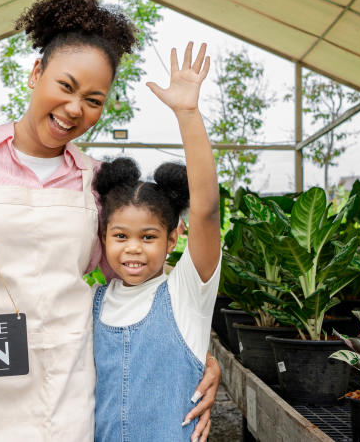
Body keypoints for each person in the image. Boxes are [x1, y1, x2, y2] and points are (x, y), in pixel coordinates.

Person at [0, 0, 219, 441]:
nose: (74, 109)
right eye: (66, 86)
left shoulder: (99, 181)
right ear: (36, 71)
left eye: (93, 100)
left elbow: (137, 283)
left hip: (65, 393)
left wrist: (195, 352)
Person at [91, 42, 221, 442]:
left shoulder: (186, 292)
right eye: (120, 236)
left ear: (172, 238)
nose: (133, 248)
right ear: (103, 237)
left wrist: (187, 114)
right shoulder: (92, 303)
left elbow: (205, 211)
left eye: (148, 237)